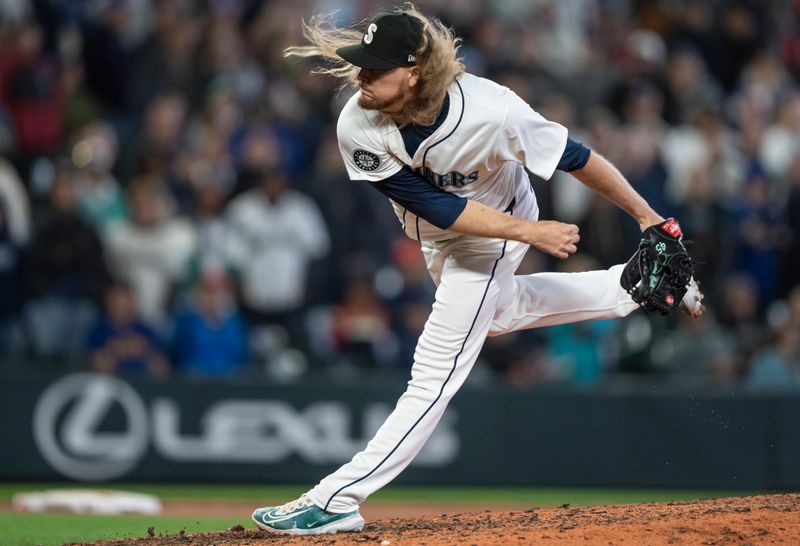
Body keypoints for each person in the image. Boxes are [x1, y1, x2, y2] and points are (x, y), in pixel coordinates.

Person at [252, 5, 703, 535]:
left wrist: (649, 218)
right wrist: (533, 236)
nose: (360, 76)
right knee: (498, 315)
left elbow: (576, 156)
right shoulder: (356, 121)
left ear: (415, 72)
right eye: (360, 64)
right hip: (449, 234)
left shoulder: (494, 110)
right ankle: (625, 286)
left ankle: (336, 499)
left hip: (496, 228)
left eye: (376, 68)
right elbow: (434, 208)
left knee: (434, 373)